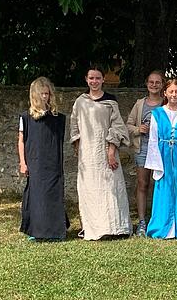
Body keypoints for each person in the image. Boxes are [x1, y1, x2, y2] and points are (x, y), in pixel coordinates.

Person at [70, 66, 132, 240]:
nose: (94, 81)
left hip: (106, 151)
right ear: (86, 79)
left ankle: (114, 228)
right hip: (87, 154)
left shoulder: (110, 101)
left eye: (98, 78)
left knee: (111, 188)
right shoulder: (80, 101)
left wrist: (111, 151)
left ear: (103, 79)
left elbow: (118, 127)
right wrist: (77, 147)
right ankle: (93, 228)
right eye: (91, 78)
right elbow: (74, 125)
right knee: (90, 189)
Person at [144, 79, 177, 240]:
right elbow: (153, 139)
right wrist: (156, 164)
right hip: (163, 156)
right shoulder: (158, 114)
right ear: (165, 93)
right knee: (164, 190)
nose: (174, 94)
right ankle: (162, 228)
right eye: (171, 91)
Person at [18, 77, 69, 241]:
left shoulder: (57, 118)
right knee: (37, 197)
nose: (45, 97)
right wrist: (23, 162)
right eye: (42, 94)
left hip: (53, 162)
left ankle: (55, 231)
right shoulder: (26, 118)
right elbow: (21, 141)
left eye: (47, 94)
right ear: (35, 95)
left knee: (53, 195)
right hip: (35, 162)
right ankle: (37, 230)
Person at [126, 70, 164, 236]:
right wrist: (137, 129)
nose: (154, 85)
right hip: (142, 148)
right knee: (143, 184)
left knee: (160, 185)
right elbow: (128, 125)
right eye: (151, 82)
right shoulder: (140, 104)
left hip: (162, 150)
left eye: (157, 82)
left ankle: (159, 219)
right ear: (147, 84)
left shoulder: (166, 102)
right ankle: (142, 221)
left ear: (162, 84)